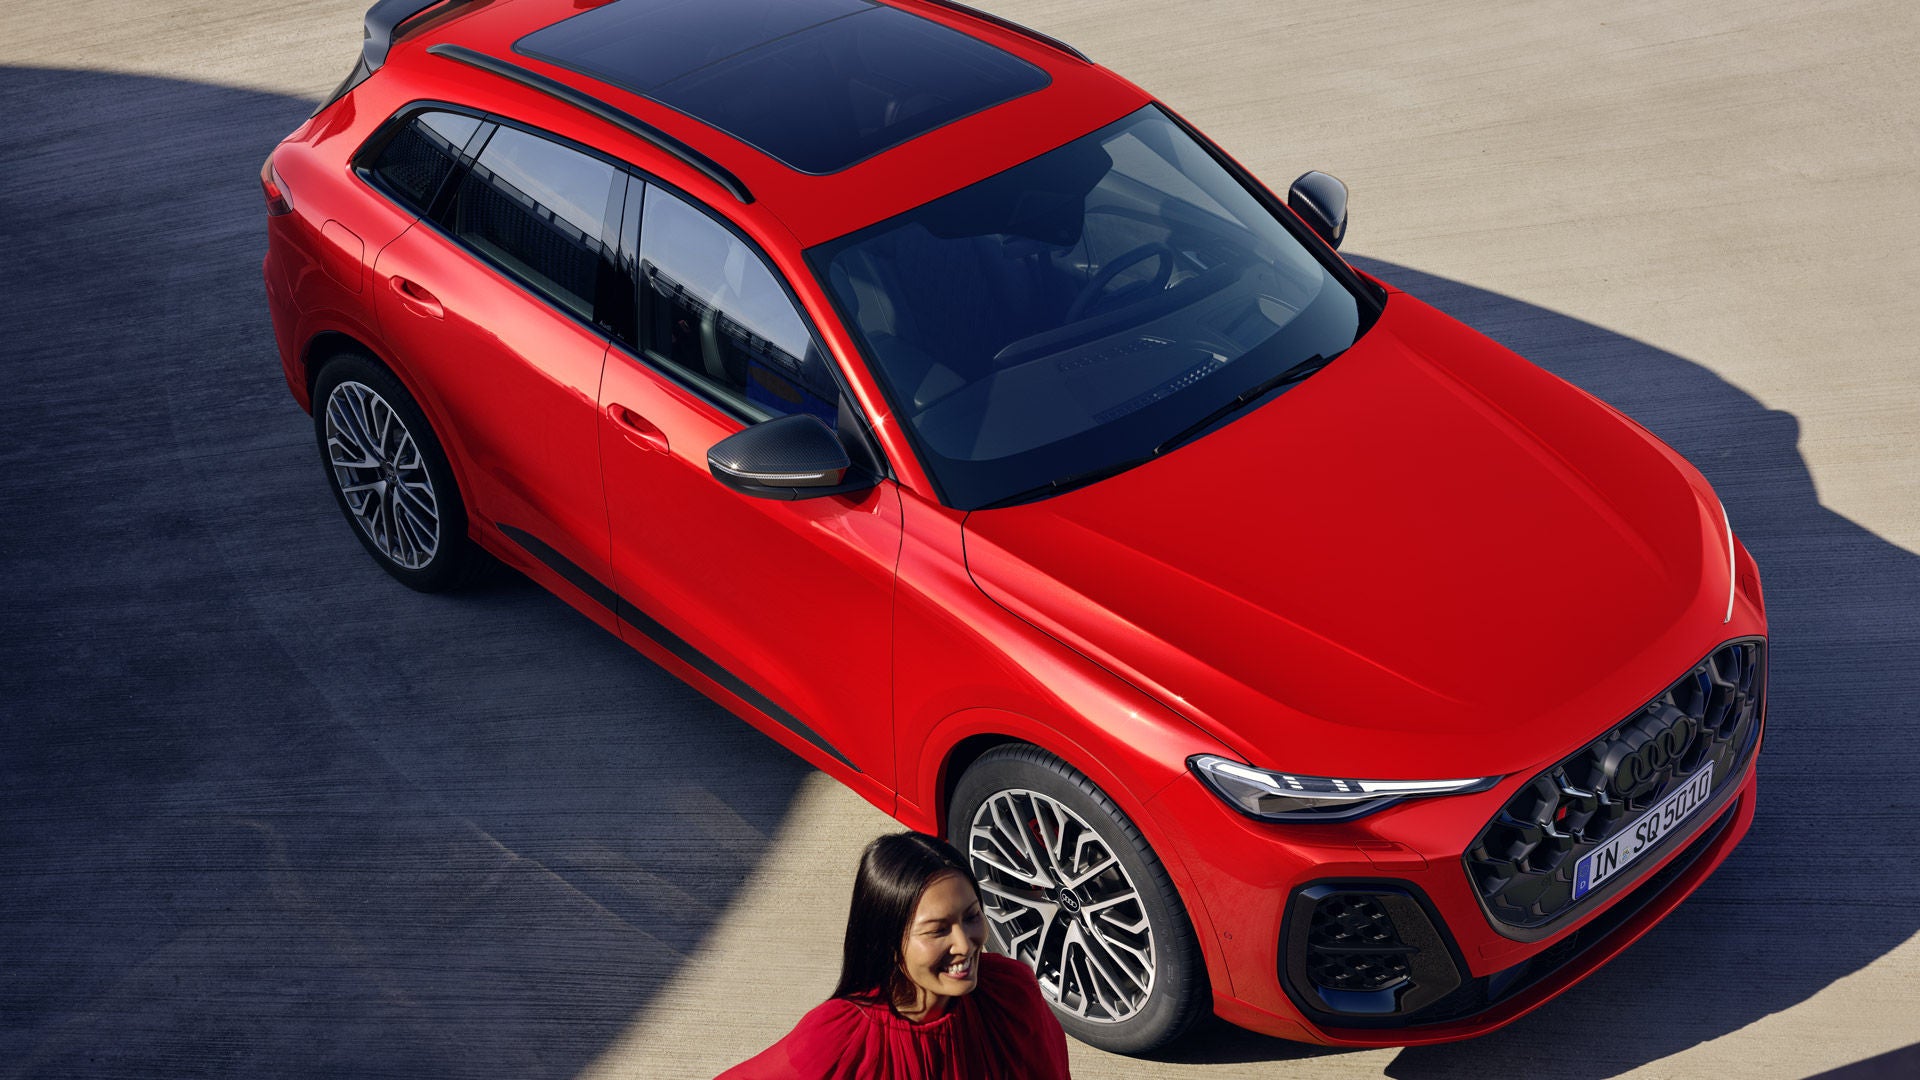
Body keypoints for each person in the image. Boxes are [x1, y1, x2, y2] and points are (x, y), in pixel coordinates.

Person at [719, 831, 1072, 1079]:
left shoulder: (1010, 994)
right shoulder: (839, 1041)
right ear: (887, 940)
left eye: (971, 916)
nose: (965, 944)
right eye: (937, 930)